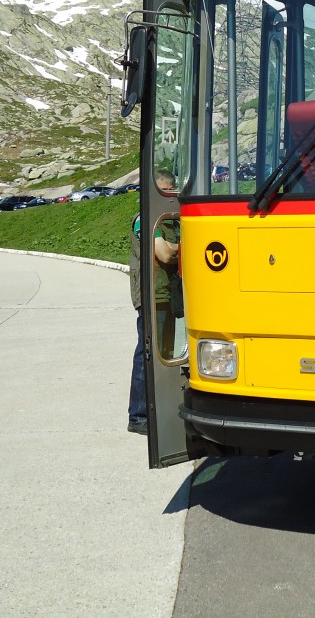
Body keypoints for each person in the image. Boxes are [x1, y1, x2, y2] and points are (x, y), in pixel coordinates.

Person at [127, 169, 181, 435]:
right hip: (152, 294)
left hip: (170, 294)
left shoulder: (172, 221)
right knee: (146, 355)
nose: (171, 195)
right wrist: (178, 248)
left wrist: (174, 248)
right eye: (166, 190)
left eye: (172, 189)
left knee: (166, 354)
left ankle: (160, 409)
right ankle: (138, 415)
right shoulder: (145, 219)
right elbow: (165, 255)